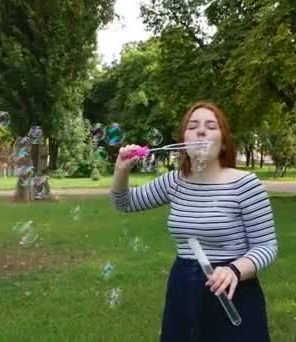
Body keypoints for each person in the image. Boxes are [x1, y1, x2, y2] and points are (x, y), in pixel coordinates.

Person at [111, 101, 278, 342]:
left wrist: (234, 270)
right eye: (193, 126)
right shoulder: (174, 181)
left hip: (234, 289)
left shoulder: (246, 185)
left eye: (211, 126)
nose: (201, 131)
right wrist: (121, 171)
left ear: (223, 142)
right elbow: (124, 203)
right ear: (183, 141)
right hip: (183, 288)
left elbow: (267, 247)